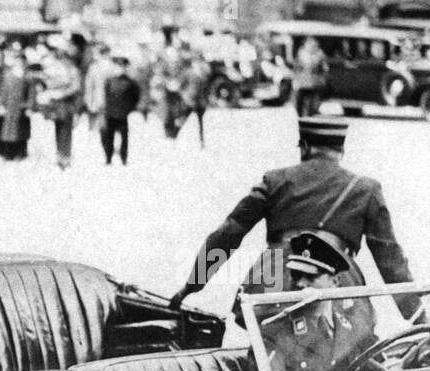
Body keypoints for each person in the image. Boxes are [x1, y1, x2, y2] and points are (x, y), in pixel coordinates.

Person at [171, 116, 416, 317]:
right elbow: (390, 259)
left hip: (274, 275)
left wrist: (193, 284)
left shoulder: (274, 181)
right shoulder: (365, 189)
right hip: (336, 280)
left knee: (263, 342)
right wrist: (416, 316)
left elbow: (228, 234)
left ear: (306, 147)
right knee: (348, 350)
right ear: (341, 149)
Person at [259, 231, 376, 371]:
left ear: (335, 281)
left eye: (310, 276)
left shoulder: (357, 329)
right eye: (296, 275)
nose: (300, 284)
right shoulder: (273, 334)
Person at [41, 46, 81, 171]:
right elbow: (47, 83)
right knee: (57, 129)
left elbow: (75, 87)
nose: (62, 60)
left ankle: (66, 157)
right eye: (60, 57)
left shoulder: (73, 70)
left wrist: (61, 93)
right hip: (55, 104)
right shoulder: (54, 69)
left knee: (66, 130)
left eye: (64, 57)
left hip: (67, 103)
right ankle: (59, 156)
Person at [0, 49, 34, 160]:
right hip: (9, 107)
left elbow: (31, 93)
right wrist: (0, 105)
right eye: (17, 61)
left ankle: (21, 153)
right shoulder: (7, 75)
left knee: (21, 132)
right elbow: (2, 91)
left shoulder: (28, 76)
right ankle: (7, 154)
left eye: (21, 61)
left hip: (21, 108)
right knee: (8, 132)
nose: (19, 63)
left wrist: (29, 107)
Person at [101, 56, 141, 165]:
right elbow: (105, 95)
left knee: (124, 138)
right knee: (109, 137)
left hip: (124, 113)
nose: (120, 68)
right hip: (110, 113)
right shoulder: (109, 81)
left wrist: (130, 108)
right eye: (119, 66)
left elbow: (135, 97)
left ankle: (124, 158)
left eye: (123, 66)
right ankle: (108, 158)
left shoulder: (130, 82)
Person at [293, 37, 329, 118]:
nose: (311, 46)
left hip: (315, 82)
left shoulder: (320, 55)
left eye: (313, 44)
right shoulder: (301, 53)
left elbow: (324, 69)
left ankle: (310, 115)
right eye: (309, 44)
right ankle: (300, 116)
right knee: (299, 100)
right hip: (302, 82)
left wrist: (323, 78)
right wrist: (296, 78)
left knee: (312, 101)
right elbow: (296, 68)